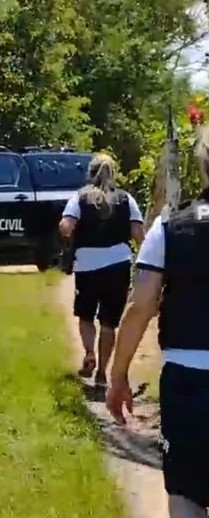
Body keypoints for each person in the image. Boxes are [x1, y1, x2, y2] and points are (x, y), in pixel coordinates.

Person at [107, 125, 209, 518]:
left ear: (201, 167)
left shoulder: (171, 227)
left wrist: (118, 375)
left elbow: (142, 304)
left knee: (185, 491)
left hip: (189, 381)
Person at [59, 153, 145, 387]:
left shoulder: (80, 197)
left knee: (86, 315)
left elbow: (66, 227)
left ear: (90, 173)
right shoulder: (127, 199)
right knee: (109, 322)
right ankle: (102, 374)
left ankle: (89, 353)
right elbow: (138, 234)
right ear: (114, 173)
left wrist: (72, 233)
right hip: (118, 265)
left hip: (87, 265)